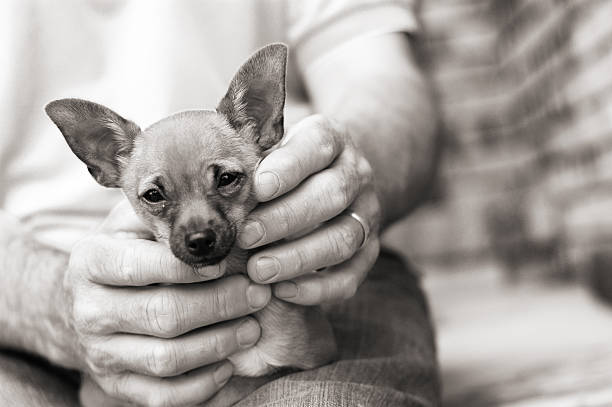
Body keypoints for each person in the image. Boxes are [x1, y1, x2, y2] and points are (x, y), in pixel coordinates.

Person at [0, 1, 441, 405]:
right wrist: (51, 304)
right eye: (156, 196)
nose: (198, 228)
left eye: (226, 180)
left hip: (314, 261)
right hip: (34, 310)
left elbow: (377, 75)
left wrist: (347, 176)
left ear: (263, 122)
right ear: (105, 163)